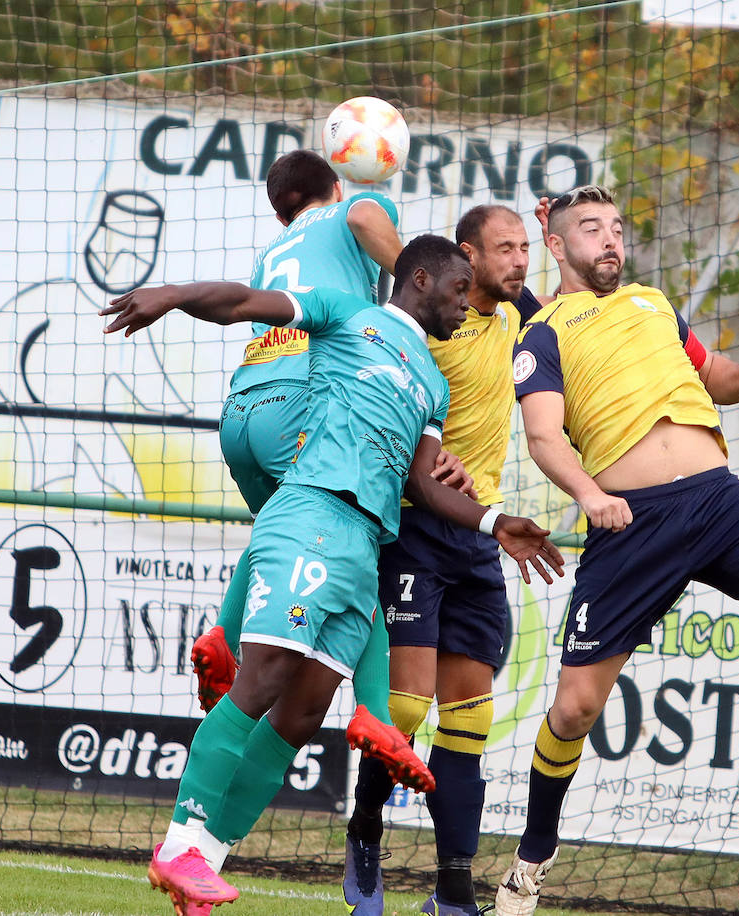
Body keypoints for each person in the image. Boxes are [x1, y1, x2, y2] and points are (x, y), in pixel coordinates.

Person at [102, 234, 565, 916]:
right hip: (312, 511)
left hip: (364, 546)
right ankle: (178, 844)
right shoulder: (349, 314)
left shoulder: (432, 385)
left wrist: (495, 522)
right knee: (262, 680)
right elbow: (242, 303)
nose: (467, 305)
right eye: (459, 289)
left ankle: (206, 864)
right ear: (420, 278)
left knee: (302, 713)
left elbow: (425, 486)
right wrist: (171, 297)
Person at [495, 185, 739, 916]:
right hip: (631, 523)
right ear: (556, 247)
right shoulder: (544, 332)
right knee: (575, 709)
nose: (610, 240)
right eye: (591, 229)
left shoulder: (656, 305)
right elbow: (545, 437)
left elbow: (714, 377)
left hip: (716, 499)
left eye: (616, 228)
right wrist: (590, 496)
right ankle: (529, 865)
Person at [191, 149, 453, 792]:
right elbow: (368, 221)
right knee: (352, 529)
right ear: (333, 187)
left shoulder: (276, 248)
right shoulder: (353, 209)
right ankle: (375, 710)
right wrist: (414, 272)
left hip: (241, 412)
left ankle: (225, 633)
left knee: (287, 521)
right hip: (299, 403)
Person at [343, 205, 544, 916]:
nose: (521, 262)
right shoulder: (430, 330)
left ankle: (453, 892)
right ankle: (365, 826)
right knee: (404, 705)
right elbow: (368, 221)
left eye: (527, 248)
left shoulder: (519, 317)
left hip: (480, 539)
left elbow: (573, 310)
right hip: (416, 527)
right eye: (506, 249)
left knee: (468, 724)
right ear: (465, 256)